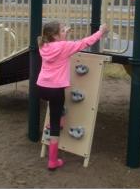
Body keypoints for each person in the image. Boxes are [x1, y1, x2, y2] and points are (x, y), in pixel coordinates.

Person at [36, 21, 107, 171]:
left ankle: (55, 120)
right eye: (62, 30)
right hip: (55, 89)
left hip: (42, 87)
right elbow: (85, 42)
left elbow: (58, 45)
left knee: (55, 108)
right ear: (55, 35)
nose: (65, 31)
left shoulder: (43, 45)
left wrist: (64, 34)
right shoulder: (65, 46)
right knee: (56, 121)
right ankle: (53, 161)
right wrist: (101, 32)